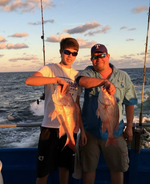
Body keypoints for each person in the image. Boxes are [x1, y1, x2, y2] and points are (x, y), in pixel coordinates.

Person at [25, 37, 87, 184]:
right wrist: (56, 80)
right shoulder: (50, 69)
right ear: (61, 51)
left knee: (65, 167)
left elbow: (76, 105)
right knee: (43, 170)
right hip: (50, 128)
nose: (70, 56)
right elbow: (29, 80)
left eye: (74, 53)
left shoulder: (77, 76)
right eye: (67, 52)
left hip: (70, 129)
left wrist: (82, 130)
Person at [76, 43, 137, 184]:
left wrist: (129, 127)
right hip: (90, 134)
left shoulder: (123, 76)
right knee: (88, 169)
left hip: (115, 133)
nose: (98, 59)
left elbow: (130, 103)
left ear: (108, 56)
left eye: (102, 55)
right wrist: (104, 83)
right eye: (95, 57)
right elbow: (82, 81)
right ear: (91, 60)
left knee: (117, 169)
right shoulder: (88, 72)